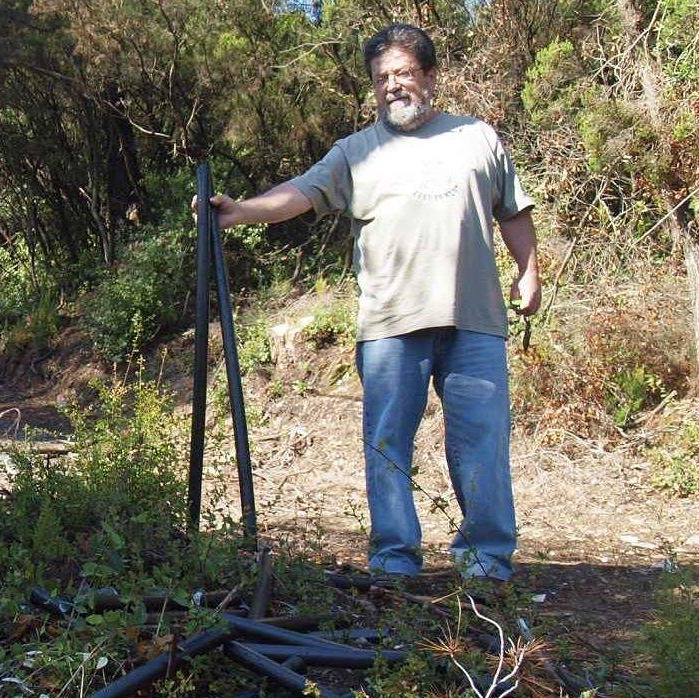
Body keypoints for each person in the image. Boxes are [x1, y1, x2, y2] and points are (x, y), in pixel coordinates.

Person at [199, 22, 539, 582]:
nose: (393, 86)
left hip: (475, 322)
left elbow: (513, 211)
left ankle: (486, 562)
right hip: (390, 326)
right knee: (386, 445)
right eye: (382, 78)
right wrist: (241, 211)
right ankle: (394, 559)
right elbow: (302, 193)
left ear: (430, 76)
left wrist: (530, 271)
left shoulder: (478, 138)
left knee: (481, 443)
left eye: (404, 73)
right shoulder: (356, 152)